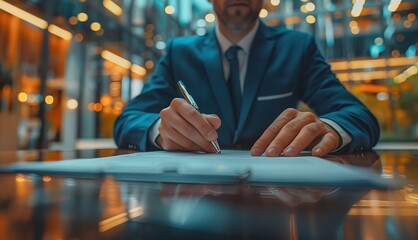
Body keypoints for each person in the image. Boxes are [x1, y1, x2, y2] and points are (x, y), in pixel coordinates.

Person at [113, 0, 380, 157]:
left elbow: (359, 116)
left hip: (278, 199)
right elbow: (128, 120)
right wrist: (160, 131)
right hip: (196, 198)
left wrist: (331, 128)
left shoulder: (298, 48)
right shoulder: (178, 53)